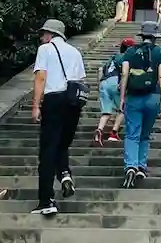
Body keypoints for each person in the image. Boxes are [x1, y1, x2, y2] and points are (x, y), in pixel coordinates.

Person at [31, 18, 86, 218]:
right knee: (62, 144)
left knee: (47, 150)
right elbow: (81, 80)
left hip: (53, 99)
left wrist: (36, 105)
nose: (41, 38)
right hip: (73, 102)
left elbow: (41, 77)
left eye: (43, 34)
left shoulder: (45, 49)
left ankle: (46, 201)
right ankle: (64, 174)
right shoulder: (75, 52)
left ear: (49, 34)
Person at [119, 21, 161, 188]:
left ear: (142, 35)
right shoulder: (160, 52)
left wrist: (122, 98)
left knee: (132, 133)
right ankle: (141, 166)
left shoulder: (130, 51)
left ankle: (130, 166)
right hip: (152, 97)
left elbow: (124, 73)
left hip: (133, 97)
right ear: (155, 37)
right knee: (145, 134)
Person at [94, 37, 135, 147]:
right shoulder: (127, 58)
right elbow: (125, 73)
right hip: (115, 82)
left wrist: (99, 85)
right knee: (123, 108)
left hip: (104, 82)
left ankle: (99, 130)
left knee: (106, 112)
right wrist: (122, 84)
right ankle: (113, 133)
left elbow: (100, 70)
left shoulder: (113, 58)